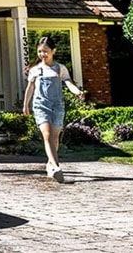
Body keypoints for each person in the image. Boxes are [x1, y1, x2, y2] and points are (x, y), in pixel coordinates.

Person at [22, 36, 86, 183]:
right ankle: (57, 167)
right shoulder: (35, 70)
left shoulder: (60, 68)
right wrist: (25, 105)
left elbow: (69, 83)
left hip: (57, 106)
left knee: (55, 137)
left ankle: (50, 164)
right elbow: (30, 88)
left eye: (45, 51)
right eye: (40, 51)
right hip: (41, 105)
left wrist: (78, 92)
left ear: (53, 51)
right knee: (47, 134)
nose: (42, 54)